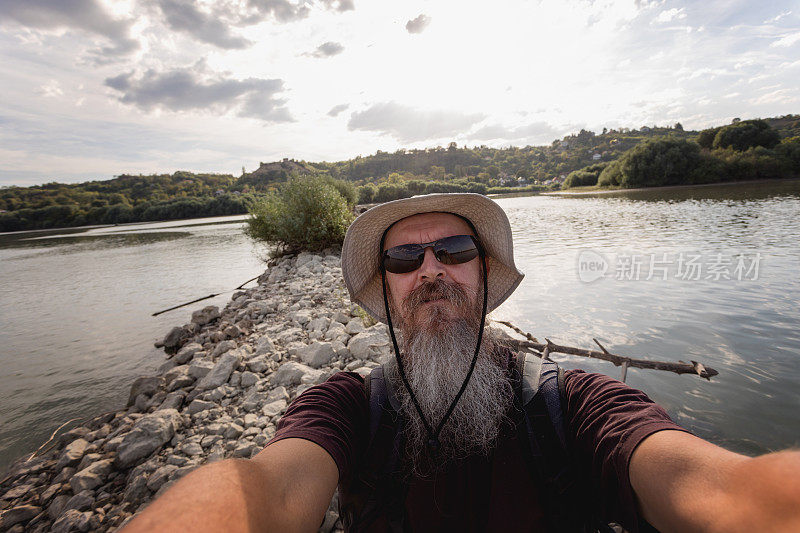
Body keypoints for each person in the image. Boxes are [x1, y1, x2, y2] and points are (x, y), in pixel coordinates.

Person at [125, 193, 800, 532]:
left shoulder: (573, 406)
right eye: (403, 258)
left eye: (452, 251)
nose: (430, 272)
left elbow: (720, 491)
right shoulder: (348, 407)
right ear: (386, 288)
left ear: (483, 272)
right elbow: (263, 494)